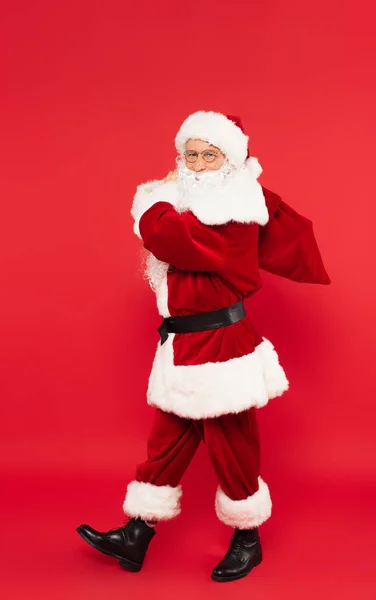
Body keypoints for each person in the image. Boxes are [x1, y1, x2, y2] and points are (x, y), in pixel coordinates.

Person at [76, 111, 331, 582]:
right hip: (183, 341)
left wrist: (158, 195)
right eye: (189, 154)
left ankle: (247, 538)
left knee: (231, 445)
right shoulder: (197, 205)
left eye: (208, 155)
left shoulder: (236, 212)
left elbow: (165, 235)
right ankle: (137, 533)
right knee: (167, 440)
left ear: (230, 158)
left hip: (220, 344)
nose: (196, 163)